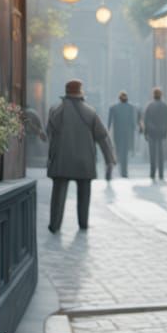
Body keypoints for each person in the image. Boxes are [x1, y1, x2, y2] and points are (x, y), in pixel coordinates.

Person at [46, 79, 116, 233]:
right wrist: (109, 159)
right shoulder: (90, 112)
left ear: (66, 92)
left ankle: (54, 224)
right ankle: (83, 223)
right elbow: (102, 137)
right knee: (84, 195)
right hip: (85, 162)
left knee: (58, 194)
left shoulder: (55, 110)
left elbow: (48, 133)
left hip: (61, 161)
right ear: (80, 92)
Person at [141, 87, 167, 181]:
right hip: (162, 133)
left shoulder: (149, 106)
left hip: (151, 133)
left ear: (153, 95)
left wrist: (145, 133)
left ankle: (152, 173)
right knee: (161, 154)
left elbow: (145, 120)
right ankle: (161, 174)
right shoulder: (165, 106)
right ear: (161, 95)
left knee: (152, 154)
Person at [107, 91, 139, 177]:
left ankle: (120, 168)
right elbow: (133, 122)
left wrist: (108, 130)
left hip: (117, 133)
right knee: (125, 152)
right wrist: (135, 130)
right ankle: (124, 171)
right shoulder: (131, 107)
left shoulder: (113, 107)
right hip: (128, 133)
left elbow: (109, 122)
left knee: (118, 150)